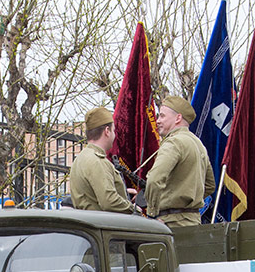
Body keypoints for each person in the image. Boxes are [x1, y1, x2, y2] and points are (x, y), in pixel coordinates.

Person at [146, 95, 213, 228]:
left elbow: (154, 179)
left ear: (178, 118)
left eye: (163, 116)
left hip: (170, 224)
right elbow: (210, 185)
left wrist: (152, 214)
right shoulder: (198, 144)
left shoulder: (173, 142)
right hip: (193, 222)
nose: (158, 121)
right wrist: (188, 198)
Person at [69, 107, 137, 214]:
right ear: (107, 131)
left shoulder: (81, 158)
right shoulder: (97, 161)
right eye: (113, 130)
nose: (114, 135)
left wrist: (124, 194)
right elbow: (109, 201)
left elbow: (92, 195)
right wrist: (134, 209)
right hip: (104, 226)